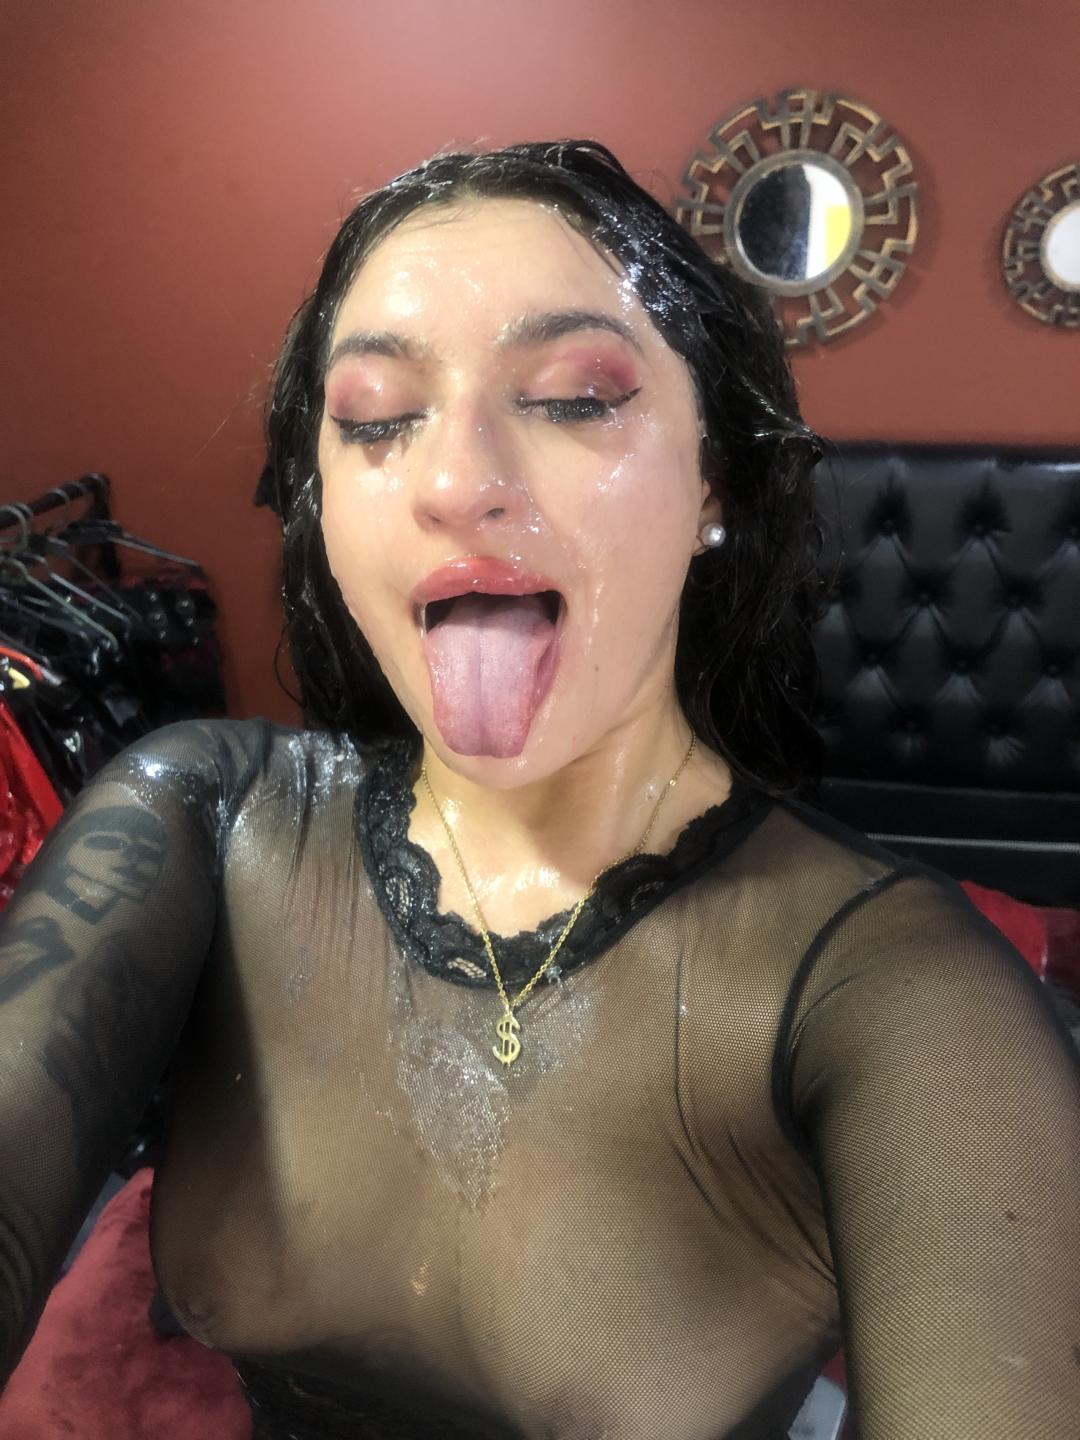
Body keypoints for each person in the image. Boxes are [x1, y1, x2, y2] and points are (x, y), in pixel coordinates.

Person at [0, 140, 1076, 1440]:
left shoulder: (897, 994)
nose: (456, 482)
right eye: (374, 418)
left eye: (574, 398)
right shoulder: (204, 819)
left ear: (714, 483)